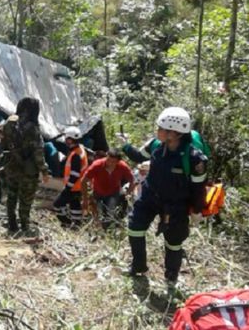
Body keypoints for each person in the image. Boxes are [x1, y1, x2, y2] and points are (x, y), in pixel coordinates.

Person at [121, 107, 208, 288]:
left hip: (176, 204)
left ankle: (171, 276)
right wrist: (125, 145)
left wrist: (197, 210)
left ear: (174, 133)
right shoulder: (155, 145)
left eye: (161, 128)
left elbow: (198, 187)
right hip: (150, 197)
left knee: (174, 241)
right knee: (135, 228)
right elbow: (139, 156)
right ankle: (138, 266)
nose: (157, 131)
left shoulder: (194, 159)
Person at [0, 96, 49, 235]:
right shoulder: (33, 128)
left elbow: (2, 145)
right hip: (28, 171)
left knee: (11, 196)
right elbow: (38, 153)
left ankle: (12, 224)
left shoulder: (9, 123)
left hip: (10, 167)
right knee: (26, 200)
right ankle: (25, 226)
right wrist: (44, 171)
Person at [82, 148, 134, 229]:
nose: (110, 163)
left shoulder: (122, 166)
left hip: (114, 193)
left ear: (118, 161)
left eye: (113, 162)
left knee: (110, 214)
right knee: (98, 215)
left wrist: (128, 193)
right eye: (108, 160)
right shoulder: (97, 165)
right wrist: (85, 199)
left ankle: (110, 230)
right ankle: (100, 230)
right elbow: (83, 181)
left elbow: (132, 180)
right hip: (98, 193)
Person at [52, 126, 88, 226]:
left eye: (66, 138)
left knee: (57, 205)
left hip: (73, 187)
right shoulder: (80, 149)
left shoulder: (76, 154)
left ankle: (66, 222)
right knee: (75, 205)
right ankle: (77, 224)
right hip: (79, 186)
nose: (65, 141)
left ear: (70, 139)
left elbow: (75, 173)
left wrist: (68, 187)